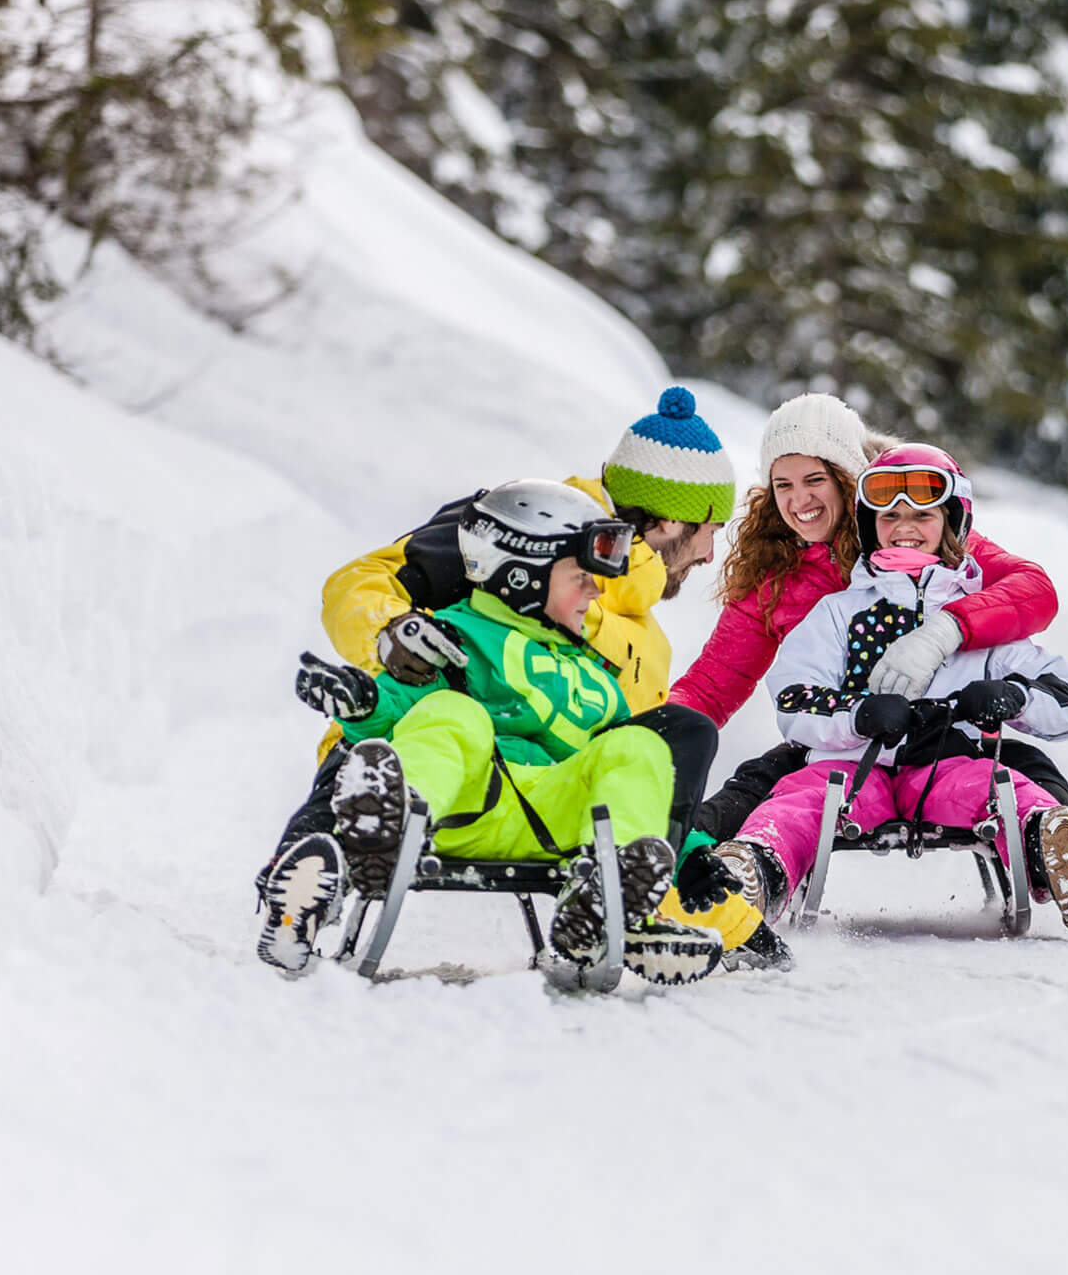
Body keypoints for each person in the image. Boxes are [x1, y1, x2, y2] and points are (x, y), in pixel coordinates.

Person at [255, 387, 786, 974]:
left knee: (673, 736)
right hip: (420, 743)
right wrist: (392, 634)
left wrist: (709, 884)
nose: (712, 553)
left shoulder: (642, 631)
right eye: (711, 529)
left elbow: (625, 768)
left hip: (549, 791)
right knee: (433, 726)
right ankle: (312, 868)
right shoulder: (518, 528)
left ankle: (612, 907)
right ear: (670, 521)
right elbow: (357, 583)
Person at [715, 444, 1068, 933]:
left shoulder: (973, 613)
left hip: (946, 763)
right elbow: (793, 695)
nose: (904, 526)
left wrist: (1013, 697)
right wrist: (857, 715)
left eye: (923, 514)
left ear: (952, 523)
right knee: (801, 799)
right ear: (870, 526)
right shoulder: (838, 612)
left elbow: (1062, 698)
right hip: (851, 764)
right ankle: (754, 871)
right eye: (889, 516)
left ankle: (1061, 857)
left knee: (1003, 788)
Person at [670, 392, 1068, 847]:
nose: (799, 500)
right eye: (782, 485)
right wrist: (649, 731)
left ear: (850, 480)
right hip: (840, 738)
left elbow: (1034, 591)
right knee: (759, 781)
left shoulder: (916, 536)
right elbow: (712, 685)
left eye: (815, 479)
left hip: (945, 737)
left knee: (1024, 767)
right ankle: (694, 855)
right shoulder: (774, 580)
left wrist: (944, 631)